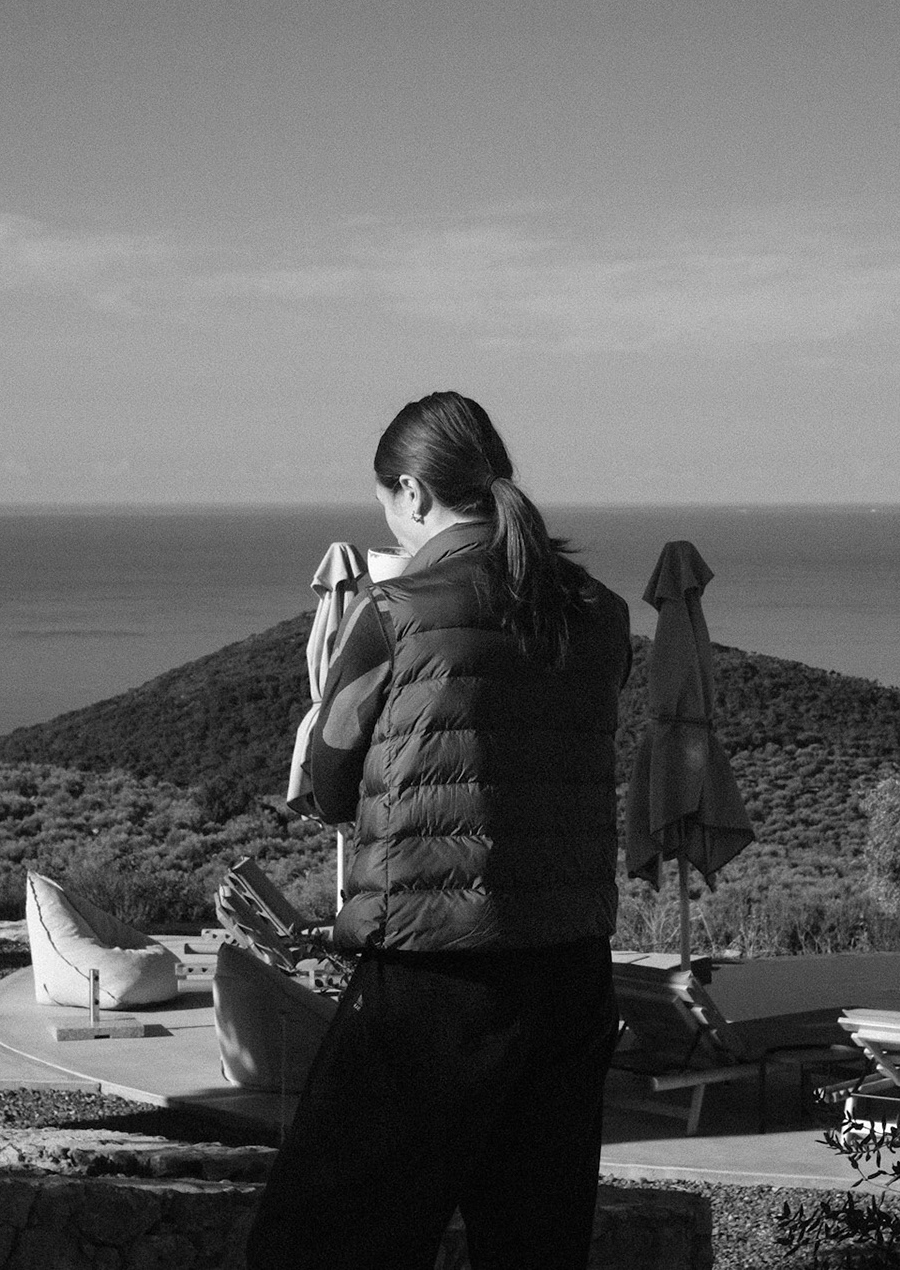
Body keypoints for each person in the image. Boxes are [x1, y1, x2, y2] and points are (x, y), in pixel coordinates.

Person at [247, 392, 632, 1270]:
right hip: (571, 975)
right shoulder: (600, 613)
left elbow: (330, 785)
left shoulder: (394, 610)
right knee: (533, 1250)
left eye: (388, 501)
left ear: (414, 493)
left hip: (432, 977)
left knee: (317, 1243)